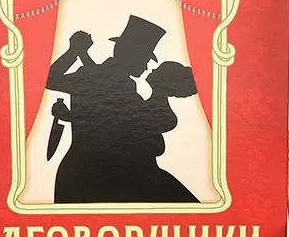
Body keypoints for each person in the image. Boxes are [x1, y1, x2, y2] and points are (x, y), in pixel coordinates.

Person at [45, 15, 199, 203]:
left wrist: (78, 53)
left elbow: (109, 102)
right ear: (132, 56)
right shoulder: (99, 77)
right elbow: (53, 80)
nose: (147, 67)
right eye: (145, 59)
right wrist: (74, 52)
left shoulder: (109, 79)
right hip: (101, 174)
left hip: (116, 172)